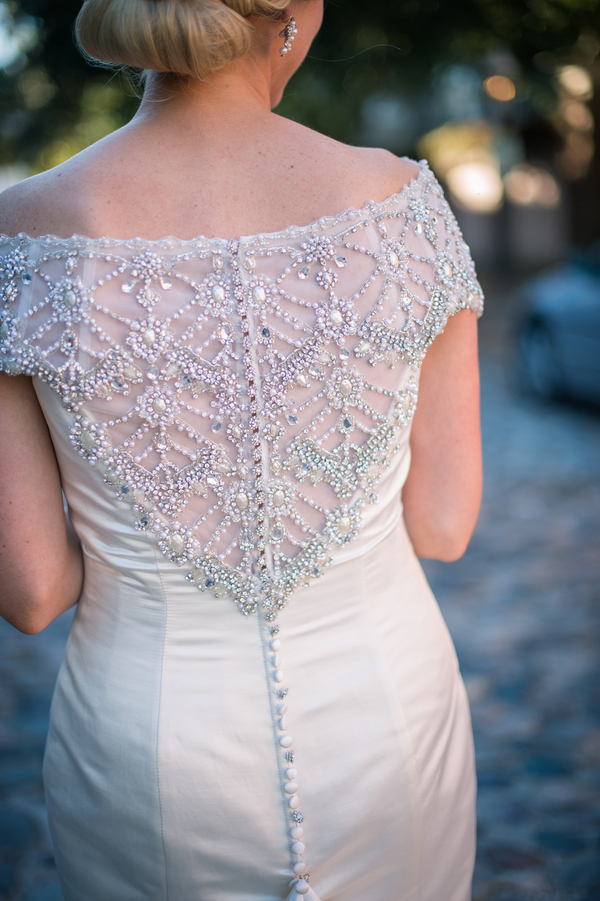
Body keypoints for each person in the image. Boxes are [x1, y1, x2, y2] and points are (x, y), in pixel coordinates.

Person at [0, 0, 484, 898]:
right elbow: (446, 526)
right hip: (386, 725)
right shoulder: (402, 208)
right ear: (291, 16)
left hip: (146, 747)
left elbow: (33, 591)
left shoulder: (20, 234)